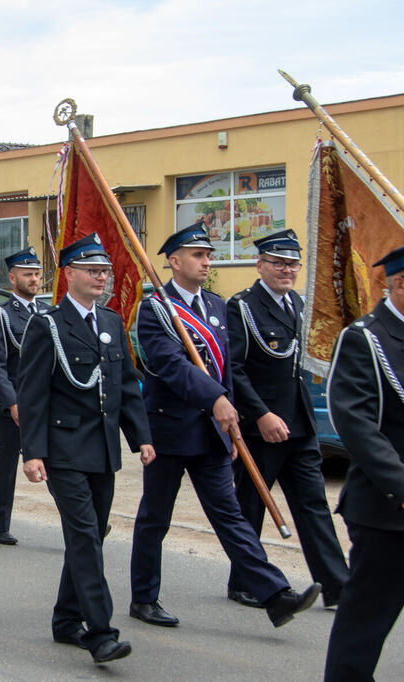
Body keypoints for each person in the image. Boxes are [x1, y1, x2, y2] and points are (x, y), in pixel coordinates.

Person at [129, 224, 320, 629]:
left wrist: (229, 415)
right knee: (155, 518)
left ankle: (275, 595)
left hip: (212, 434)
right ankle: (144, 598)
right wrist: (214, 399)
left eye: (209, 255)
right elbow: (171, 365)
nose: (206, 262)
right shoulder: (155, 308)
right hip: (167, 432)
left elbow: (226, 371)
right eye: (198, 255)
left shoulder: (216, 306)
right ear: (174, 261)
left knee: (230, 516)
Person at [18, 234, 152, 664]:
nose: (101, 277)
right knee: (84, 537)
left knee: (89, 535)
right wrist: (32, 452)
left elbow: (126, 386)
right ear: (69, 274)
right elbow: (33, 392)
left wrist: (142, 437)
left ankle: (65, 619)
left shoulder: (111, 322)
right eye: (92, 270)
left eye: (104, 271)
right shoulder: (49, 325)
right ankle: (101, 632)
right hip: (63, 449)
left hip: (103, 451)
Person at [225, 229, 347, 608]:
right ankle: (244, 582)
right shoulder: (242, 307)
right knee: (250, 506)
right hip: (260, 429)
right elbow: (234, 368)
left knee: (313, 505)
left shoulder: (299, 304)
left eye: (292, 264)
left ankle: (337, 586)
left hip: (299, 425)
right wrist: (260, 415)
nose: (287, 270)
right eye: (278, 263)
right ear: (260, 265)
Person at [324, 245, 404, 680]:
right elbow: (357, 426)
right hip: (387, 511)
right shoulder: (365, 338)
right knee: (365, 625)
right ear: (399, 283)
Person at [0, 246, 45, 545]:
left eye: (36, 273)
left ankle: (83, 521)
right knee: (6, 464)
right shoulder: (2, 315)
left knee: (56, 460)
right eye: (27, 274)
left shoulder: (46, 313)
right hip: (13, 405)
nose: (34, 279)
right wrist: (12, 402)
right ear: (12, 278)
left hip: (44, 404)